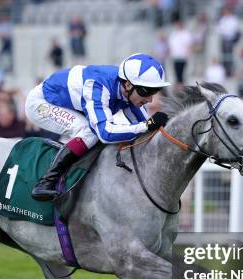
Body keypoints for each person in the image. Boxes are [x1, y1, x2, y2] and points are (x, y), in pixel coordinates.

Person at [25, 53, 170, 201]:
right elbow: (105, 133)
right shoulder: (98, 86)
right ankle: (45, 183)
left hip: (68, 102)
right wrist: (146, 125)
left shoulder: (129, 89)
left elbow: (146, 129)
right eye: (147, 91)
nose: (150, 99)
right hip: (42, 104)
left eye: (154, 91)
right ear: (128, 85)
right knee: (90, 132)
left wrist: (155, 126)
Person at [216, 7, 240, 77]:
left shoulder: (233, 19)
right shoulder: (223, 19)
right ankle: (225, 71)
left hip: (230, 39)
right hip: (224, 39)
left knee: (229, 56)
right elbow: (219, 28)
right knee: (224, 56)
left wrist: (226, 32)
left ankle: (229, 71)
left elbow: (234, 29)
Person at [168, 20, 192, 85]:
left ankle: (181, 84)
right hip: (175, 56)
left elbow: (189, 44)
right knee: (176, 71)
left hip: (183, 56)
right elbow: (171, 45)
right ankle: (178, 84)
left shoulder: (186, 33)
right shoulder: (174, 34)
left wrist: (187, 53)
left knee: (182, 72)